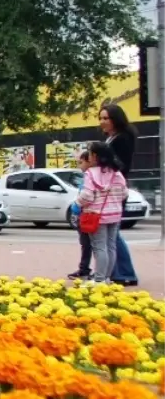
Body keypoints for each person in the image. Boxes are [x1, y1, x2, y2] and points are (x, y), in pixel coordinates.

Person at [99, 103, 139, 286]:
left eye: (106, 118)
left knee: (112, 234)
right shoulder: (111, 138)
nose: (102, 122)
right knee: (109, 234)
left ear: (116, 119)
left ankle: (124, 272)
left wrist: (103, 155)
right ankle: (113, 271)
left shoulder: (122, 138)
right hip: (107, 190)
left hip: (114, 191)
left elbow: (121, 165)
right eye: (100, 118)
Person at [76, 141, 127, 284]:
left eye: (90, 153)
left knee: (99, 247)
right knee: (111, 246)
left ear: (95, 156)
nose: (89, 156)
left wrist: (77, 203)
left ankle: (98, 279)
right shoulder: (116, 173)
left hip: (96, 215)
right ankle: (106, 278)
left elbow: (87, 195)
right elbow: (124, 193)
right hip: (115, 214)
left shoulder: (91, 173)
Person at [68, 149, 95, 280]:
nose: (80, 166)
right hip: (86, 214)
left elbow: (86, 195)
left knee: (90, 244)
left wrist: (76, 207)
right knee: (87, 244)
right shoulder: (87, 176)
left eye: (81, 162)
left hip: (88, 214)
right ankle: (85, 269)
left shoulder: (90, 176)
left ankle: (86, 270)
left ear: (89, 161)